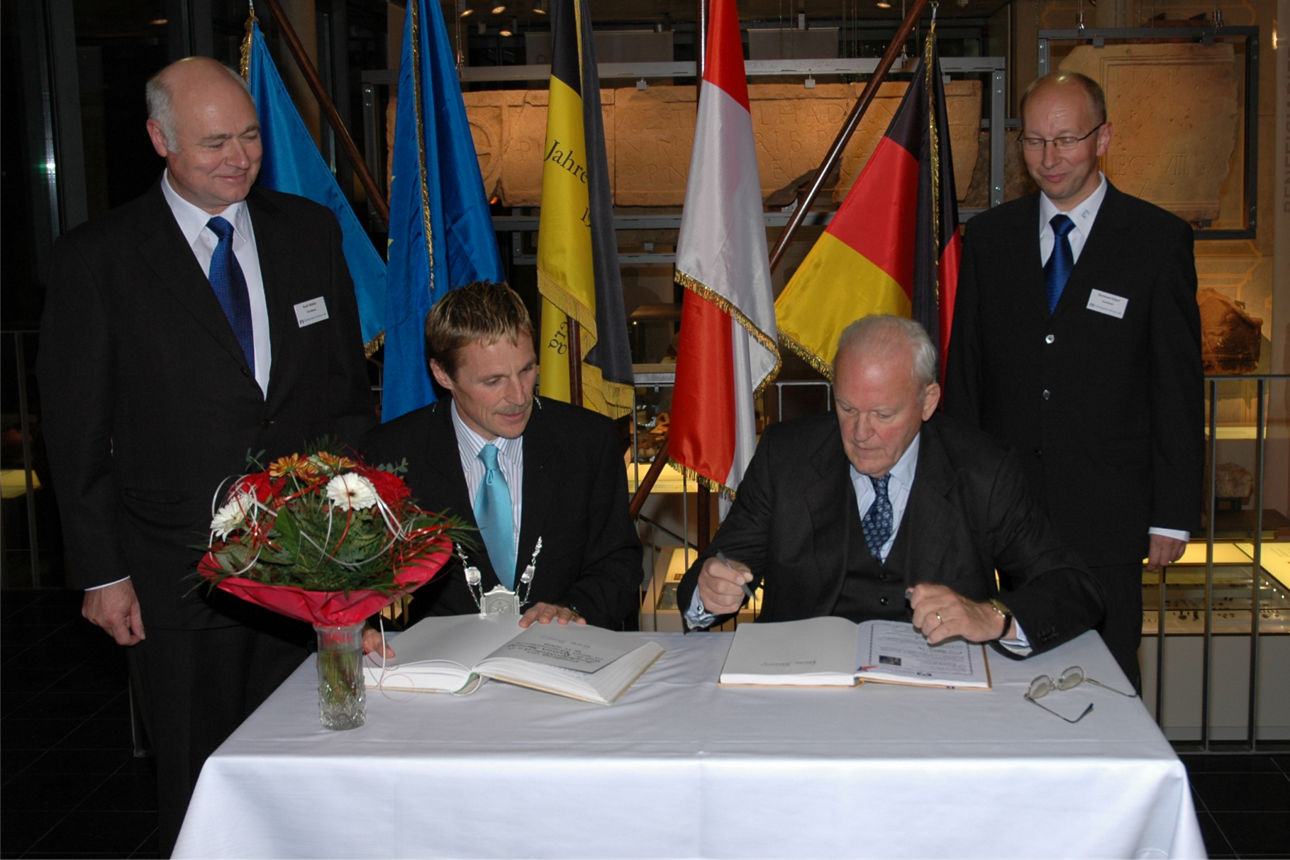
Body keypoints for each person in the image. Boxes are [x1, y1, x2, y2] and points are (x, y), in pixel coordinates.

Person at [37, 57, 374, 853]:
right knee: (199, 777)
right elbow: (74, 433)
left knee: (316, 764)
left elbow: (343, 397)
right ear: (160, 140)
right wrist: (101, 573)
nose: (239, 157)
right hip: (176, 574)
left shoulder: (309, 231)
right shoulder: (100, 259)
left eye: (250, 136)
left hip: (307, 568)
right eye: (215, 142)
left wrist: (356, 544)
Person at [944, 71, 1203, 688]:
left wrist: (1172, 514)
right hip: (1009, 514)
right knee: (1012, 672)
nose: (1049, 158)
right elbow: (967, 375)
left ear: (1103, 138)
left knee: (1106, 677)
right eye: (1034, 141)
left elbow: (1176, 388)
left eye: (1066, 140)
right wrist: (957, 496)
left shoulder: (1156, 240)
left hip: (1110, 515)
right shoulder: (989, 239)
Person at [678, 315, 1104, 657]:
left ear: (928, 401)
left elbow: (1074, 587)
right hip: (807, 687)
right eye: (846, 408)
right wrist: (708, 591)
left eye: (883, 415)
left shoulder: (982, 470)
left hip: (937, 696)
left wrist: (993, 617)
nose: (861, 432)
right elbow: (714, 570)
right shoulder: (785, 458)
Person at [361, 281, 642, 642]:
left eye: (527, 370)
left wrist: (573, 609)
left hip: (559, 654)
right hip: (441, 664)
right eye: (493, 381)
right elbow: (350, 576)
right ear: (443, 374)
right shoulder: (390, 454)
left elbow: (619, 563)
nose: (519, 395)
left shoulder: (587, 441)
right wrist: (357, 627)